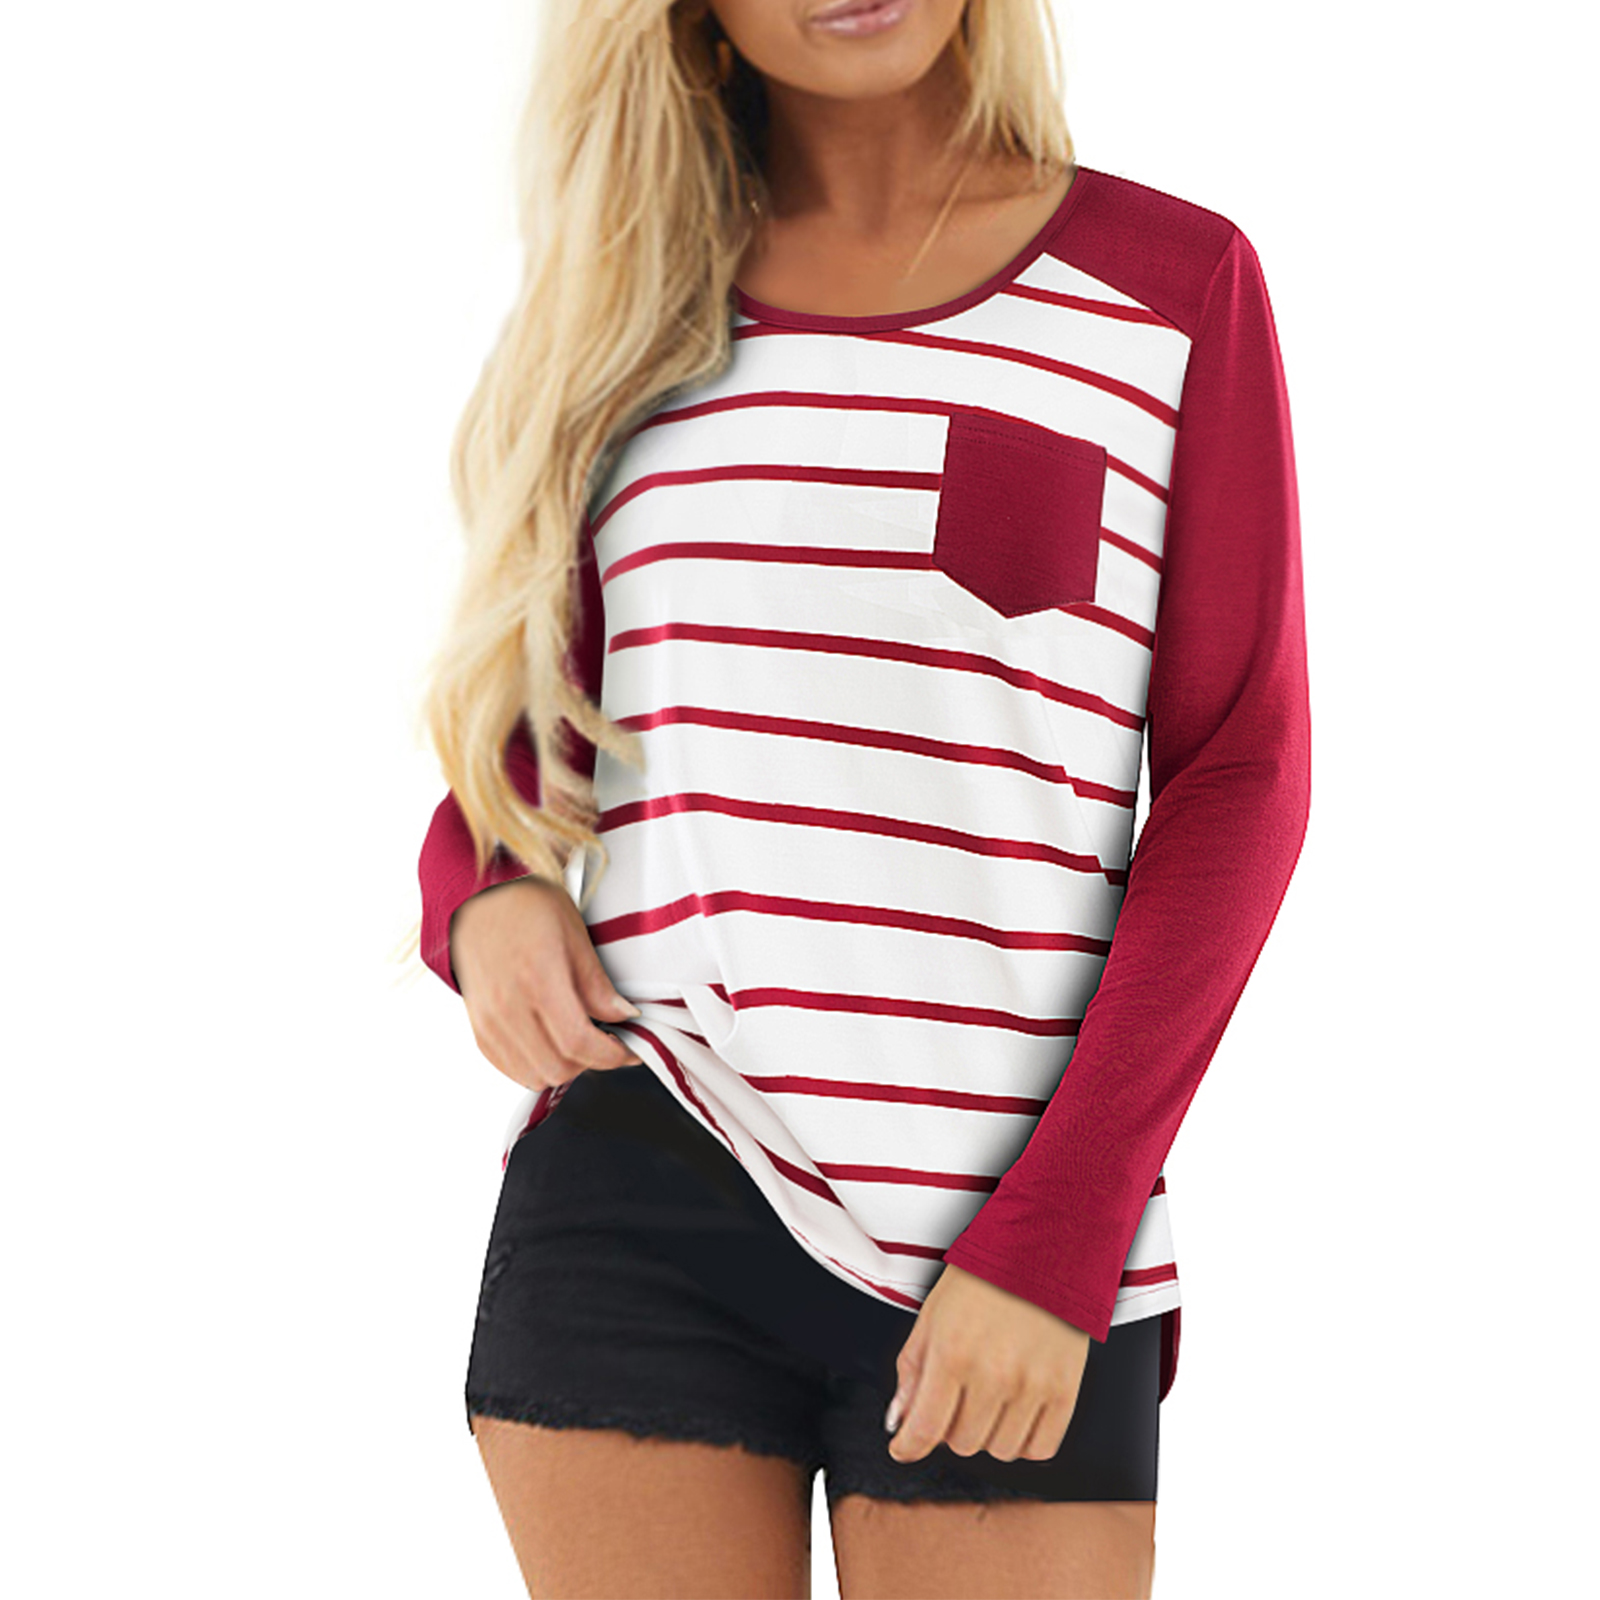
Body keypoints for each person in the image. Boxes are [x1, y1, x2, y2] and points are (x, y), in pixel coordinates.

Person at [412, 0, 1310, 1594]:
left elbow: (1240, 770)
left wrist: (1063, 1228)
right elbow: (539, 712)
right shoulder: (627, 310)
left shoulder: (1171, 288)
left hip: (1012, 1219)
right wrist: (483, 892)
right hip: (646, 1165)